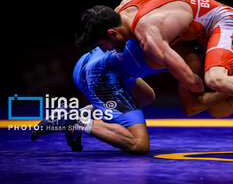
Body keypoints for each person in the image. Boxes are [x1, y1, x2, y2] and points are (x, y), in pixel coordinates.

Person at [76, 0, 233, 147]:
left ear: (112, 32)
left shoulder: (148, 35)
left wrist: (193, 79)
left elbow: (191, 83)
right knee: (212, 107)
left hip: (222, 22)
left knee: (214, 79)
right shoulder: (125, 7)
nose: (106, 50)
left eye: (102, 45)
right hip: (199, 37)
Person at [31, 40, 163, 154]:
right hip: (100, 73)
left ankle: (83, 113)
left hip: (92, 60)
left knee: (146, 97)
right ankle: (73, 119)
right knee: (139, 143)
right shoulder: (172, 36)